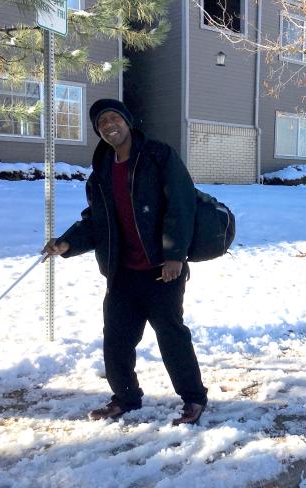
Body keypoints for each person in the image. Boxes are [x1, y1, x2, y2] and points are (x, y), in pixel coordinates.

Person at [42, 99, 208, 424]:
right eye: (101, 122)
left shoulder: (158, 157)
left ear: (127, 122)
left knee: (171, 336)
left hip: (163, 271)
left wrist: (174, 255)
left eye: (114, 117)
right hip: (122, 273)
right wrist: (67, 242)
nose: (108, 124)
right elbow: (96, 221)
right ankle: (126, 398)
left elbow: (181, 206)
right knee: (116, 339)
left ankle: (193, 398)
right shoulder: (101, 173)